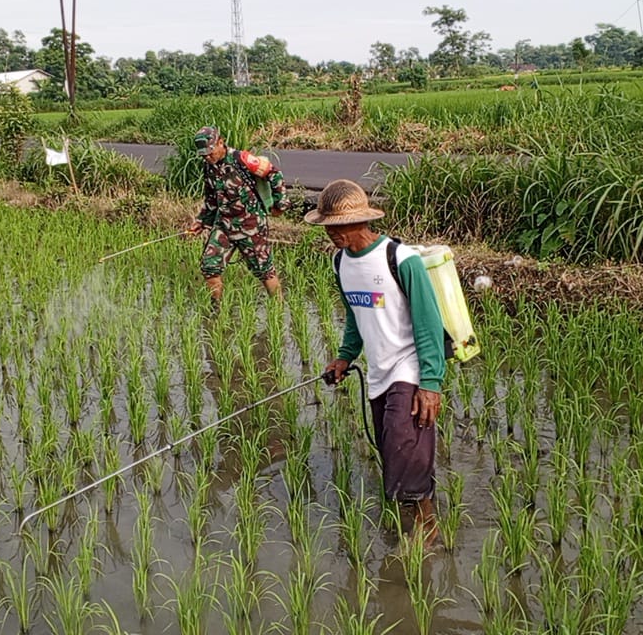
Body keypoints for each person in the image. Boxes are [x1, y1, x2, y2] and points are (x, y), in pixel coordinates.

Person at [309, 179, 447, 545]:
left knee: (406, 448)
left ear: (362, 221)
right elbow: (356, 317)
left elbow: (429, 321)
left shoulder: (400, 259)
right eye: (329, 226)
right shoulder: (340, 262)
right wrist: (344, 356)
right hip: (378, 371)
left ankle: (427, 531)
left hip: (409, 365)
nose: (334, 233)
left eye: (340, 225)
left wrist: (431, 383)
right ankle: (410, 520)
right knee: (391, 451)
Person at [186, 126, 287, 303]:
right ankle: (216, 311)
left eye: (210, 153)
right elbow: (211, 198)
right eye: (203, 155)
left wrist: (280, 204)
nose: (208, 158)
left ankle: (278, 310)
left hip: (251, 226)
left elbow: (274, 174)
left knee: (265, 271)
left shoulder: (242, 159)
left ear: (220, 142)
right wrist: (201, 221)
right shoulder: (208, 166)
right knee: (209, 266)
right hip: (224, 225)